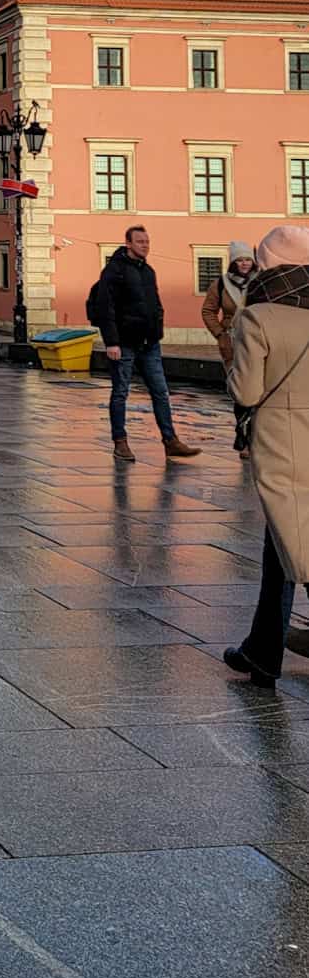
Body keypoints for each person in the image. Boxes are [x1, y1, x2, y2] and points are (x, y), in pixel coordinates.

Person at [223, 225, 309, 688]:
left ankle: (264, 653)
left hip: (284, 446)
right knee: (284, 543)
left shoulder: (258, 316)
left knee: (292, 542)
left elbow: (247, 390)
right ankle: (263, 651)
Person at [91, 225, 200, 463]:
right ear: (128, 243)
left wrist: (157, 328)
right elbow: (105, 307)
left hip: (149, 343)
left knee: (161, 392)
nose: (145, 245)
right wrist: (112, 342)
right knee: (121, 392)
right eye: (140, 242)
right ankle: (120, 442)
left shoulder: (148, 271)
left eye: (147, 241)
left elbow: (155, 302)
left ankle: (170, 441)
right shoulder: (114, 271)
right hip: (124, 343)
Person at [202, 240, 257, 454]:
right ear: (233, 262)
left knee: (257, 389)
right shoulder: (221, 284)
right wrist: (220, 334)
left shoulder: (259, 281)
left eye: (247, 260)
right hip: (232, 344)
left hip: (256, 340)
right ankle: (243, 435)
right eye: (240, 260)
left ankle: (252, 437)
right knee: (239, 390)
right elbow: (208, 311)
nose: (244, 264)